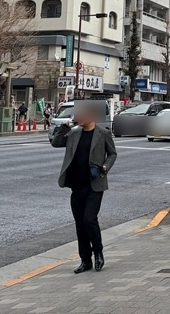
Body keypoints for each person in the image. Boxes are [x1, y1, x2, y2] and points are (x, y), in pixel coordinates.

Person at [51, 103, 117, 273]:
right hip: (77, 185)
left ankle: (99, 253)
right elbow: (56, 142)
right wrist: (65, 126)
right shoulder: (73, 133)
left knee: (89, 219)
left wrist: (104, 167)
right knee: (80, 224)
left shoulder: (103, 134)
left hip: (95, 185)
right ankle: (85, 260)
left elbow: (112, 153)